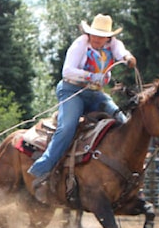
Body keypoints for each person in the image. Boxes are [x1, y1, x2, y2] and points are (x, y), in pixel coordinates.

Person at [27, 14, 137, 201]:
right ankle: (41, 169)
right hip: (72, 91)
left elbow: (121, 52)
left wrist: (128, 57)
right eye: (94, 35)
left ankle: (124, 172)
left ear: (108, 37)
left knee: (123, 123)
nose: (97, 39)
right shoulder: (80, 45)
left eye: (101, 36)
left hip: (95, 94)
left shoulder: (113, 45)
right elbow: (67, 71)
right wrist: (92, 76)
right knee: (67, 127)